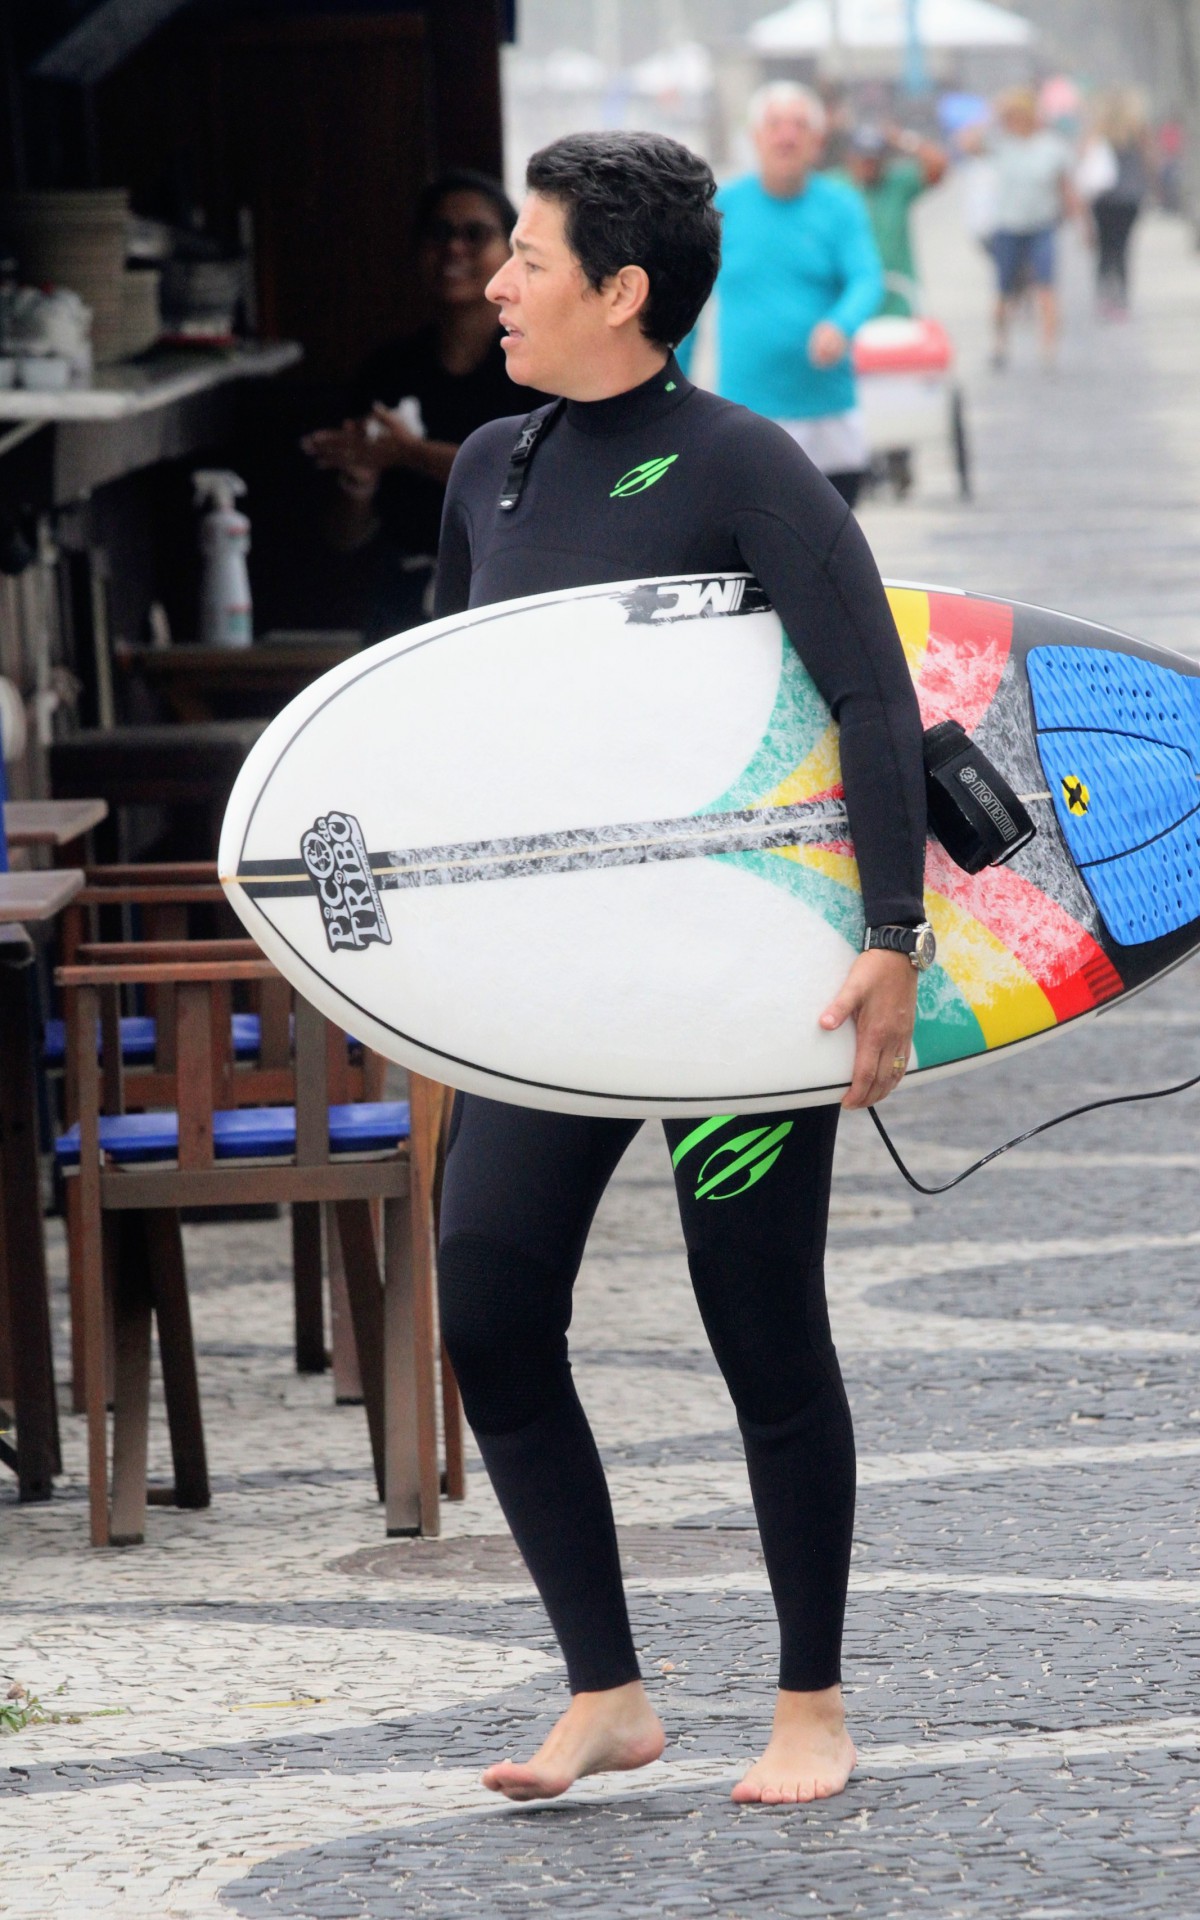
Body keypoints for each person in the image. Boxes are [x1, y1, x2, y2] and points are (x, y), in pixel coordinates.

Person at [434, 130, 931, 1807]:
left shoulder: (741, 467)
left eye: (526, 255)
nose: (496, 280)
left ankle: (810, 1704)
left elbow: (874, 704)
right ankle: (609, 1691)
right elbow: (438, 729)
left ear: (620, 289)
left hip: (733, 987)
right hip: (555, 984)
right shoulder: (488, 465)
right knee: (490, 1301)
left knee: (757, 1323)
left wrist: (888, 945)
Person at [302, 172, 546, 639]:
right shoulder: (387, 370)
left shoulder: (538, 367)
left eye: (475, 234)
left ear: (512, 256)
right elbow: (344, 536)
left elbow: (539, 482)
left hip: (514, 603)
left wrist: (408, 453)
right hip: (402, 612)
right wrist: (359, 479)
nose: (455, 248)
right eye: (440, 233)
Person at [679, 82, 884, 508]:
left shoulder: (840, 205)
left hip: (827, 411)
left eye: (799, 126)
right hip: (746, 414)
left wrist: (840, 323)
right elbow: (689, 306)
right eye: (774, 125)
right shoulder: (721, 209)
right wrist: (668, 385)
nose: (786, 136)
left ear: (817, 141)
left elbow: (867, 279)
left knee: (832, 544)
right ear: (755, 138)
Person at [980, 88, 1077, 370]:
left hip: (1041, 226)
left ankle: (1049, 349)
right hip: (1008, 227)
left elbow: (1066, 187)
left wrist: (1078, 222)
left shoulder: (1052, 147)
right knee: (1003, 292)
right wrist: (994, 115)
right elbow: (966, 143)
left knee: (1046, 289)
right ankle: (999, 343)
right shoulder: (1001, 143)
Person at [844, 123, 948, 317]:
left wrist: (903, 139)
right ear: (851, 158)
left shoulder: (897, 184)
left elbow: (938, 165)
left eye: (874, 159)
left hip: (898, 296)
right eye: (863, 158)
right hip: (851, 299)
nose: (869, 165)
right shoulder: (837, 187)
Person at [1078, 90, 1153, 317]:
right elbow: (1150, 160)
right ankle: (1121, 297)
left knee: (1105, 247)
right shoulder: (1137, 130)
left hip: (1104, 198)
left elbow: (1084, 160)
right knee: (1123, 247)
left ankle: (1104, 295)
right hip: (1130, 198)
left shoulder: (1098, 131)